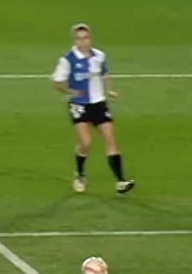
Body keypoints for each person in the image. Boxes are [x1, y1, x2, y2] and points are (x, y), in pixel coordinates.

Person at [52, 23, 134, 195]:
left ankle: (121, 181)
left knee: (111, 139)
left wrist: (109, 90)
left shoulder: (99, 56)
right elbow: (57, 82)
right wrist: (69, 91)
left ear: (91, 38)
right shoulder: (68, 60)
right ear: (75, 40)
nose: (84, 42)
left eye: (86, 38)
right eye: (80, 39)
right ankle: (80, 174)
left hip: (98, 103)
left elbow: (104, 73)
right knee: (86, 143)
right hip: (78, 104)